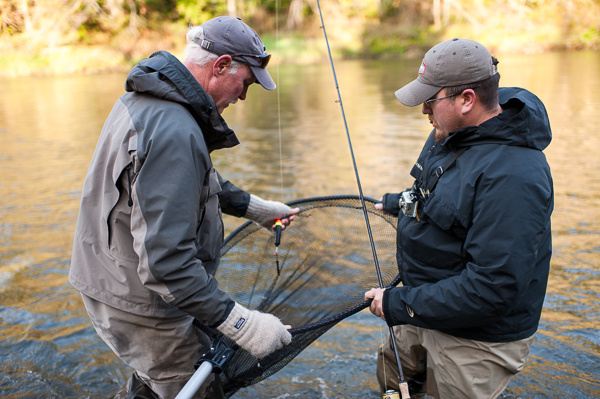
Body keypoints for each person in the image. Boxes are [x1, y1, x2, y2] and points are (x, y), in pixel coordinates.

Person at [69, 16, 300, 399]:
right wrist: (245, 325)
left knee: (152, 382)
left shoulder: (146, 100)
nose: (243, 96)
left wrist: (253, 207)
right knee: (198, 388)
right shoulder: (174, 128)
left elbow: (187, 180)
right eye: (245, 83)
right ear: (221, 65)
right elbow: (167, 266)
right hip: (139, 302)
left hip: (111, 278)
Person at [365, 38, 553, 399]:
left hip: (476, 337)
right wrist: (397, 202)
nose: (423, 111)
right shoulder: (450, 132)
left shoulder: (514, 176)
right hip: (424, 306)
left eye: (430, 100)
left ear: (467, 99)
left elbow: (491, 288)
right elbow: (437, 196)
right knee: (392, 383)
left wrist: (397, 303)